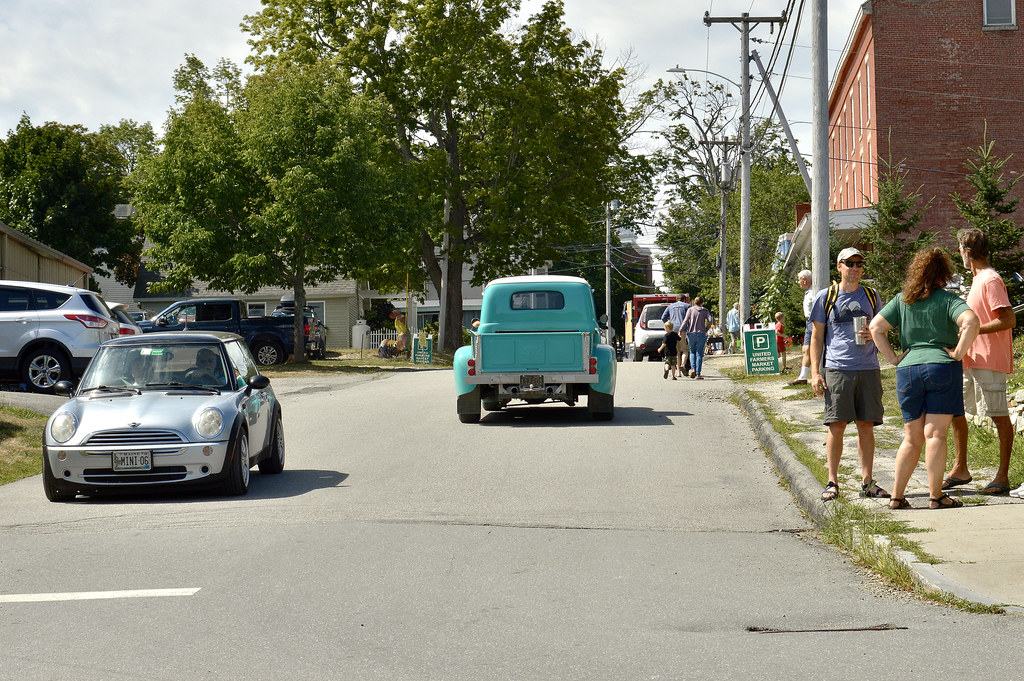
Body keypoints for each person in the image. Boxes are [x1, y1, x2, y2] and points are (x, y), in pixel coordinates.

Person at [870, 247, 980, 509]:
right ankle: (936, 496)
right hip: (941, 368)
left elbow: (875, 327)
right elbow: (972, 322)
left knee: (911, 438)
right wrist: (958, 353)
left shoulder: (903, 300)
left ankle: (897, 497)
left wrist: (893, 358)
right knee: (936, 434)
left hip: (908, 370)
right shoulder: (948, 300)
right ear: (943, 273)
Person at [809, 247, 890, 502]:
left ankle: (867, 482)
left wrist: (873, 334)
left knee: (866, 425)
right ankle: (832, 481)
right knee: (837, 425)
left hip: (868, 368)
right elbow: (816, 336)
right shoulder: (826, 296)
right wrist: (815, 372)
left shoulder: (871, 295)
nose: (855, 268)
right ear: (839, 267)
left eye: (859, 263)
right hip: (837, 368)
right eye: (849, 263)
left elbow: (882, 327)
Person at [946, 228, 1017, 496]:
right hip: (972, 359)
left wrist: (974, 330)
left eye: (959, 250)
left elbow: (1008, 319)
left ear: (967, 252)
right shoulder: (977, 279)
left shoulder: (989, 280)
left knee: (999, 416)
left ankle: (1002, 477)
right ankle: (960, 468)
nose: (959, 255)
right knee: (957, 411)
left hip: (989, 360)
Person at [790, 269, 814, 385]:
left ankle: (818, 374)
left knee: (815, 349)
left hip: (814, 322)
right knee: (806, 349)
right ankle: (802, 377)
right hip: (808, 322)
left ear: (804, 280)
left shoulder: (814, 291)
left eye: (799, 280)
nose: (798, 282)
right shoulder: (808, 291)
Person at [680, 296, 713, 379]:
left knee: (692, 352)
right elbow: (710, 320)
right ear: (702, 302)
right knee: (699, 353)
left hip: (691, 333)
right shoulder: (705, 311)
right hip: (701, 333)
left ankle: (693, 369)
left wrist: (680, 330)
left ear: (694, 302)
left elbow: (685, 321)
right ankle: (698, 374)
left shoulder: (690, 310)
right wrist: (706, 329)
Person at [661, 294, 691, 373]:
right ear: (684, 299)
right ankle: (683, 365)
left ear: (676, 299)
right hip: (683, 329)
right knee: (684, 349)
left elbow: (663, 317)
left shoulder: (670, 306)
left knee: (677, 351)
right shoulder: (687, 306)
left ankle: (678, 373)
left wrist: (669, 325)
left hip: (673, 329)